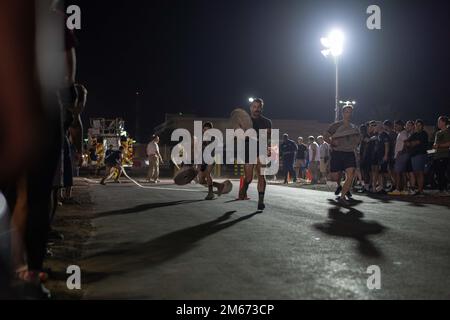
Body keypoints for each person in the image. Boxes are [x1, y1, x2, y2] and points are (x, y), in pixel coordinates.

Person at [239, 98, 272, 211]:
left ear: (261, 108)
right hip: (248, 150)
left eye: (259, 107)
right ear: (250, 108)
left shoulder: (267, 122)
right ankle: (244, 187)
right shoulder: (244, 121)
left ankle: (261, 201)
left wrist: (269, 147)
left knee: (261, 176)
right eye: (254, 107)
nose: (256, 109)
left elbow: (268, 138)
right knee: (248, 178)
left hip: (261, 150)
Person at [323, 105, 360, 204]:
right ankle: (341, 186)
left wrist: (356, 145)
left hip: (349, 153)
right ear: (343, 113)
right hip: (337, 153)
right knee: (335, 177)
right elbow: (325, 136)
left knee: (350, 175)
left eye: (350, 112)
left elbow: (357, 140)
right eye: (347, 112)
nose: (349, 114)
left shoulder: (354, 127)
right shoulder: (335, 125)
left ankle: (342, 197)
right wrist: (332, 143)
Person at [404, 120, 429, 196]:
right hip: (413, 156)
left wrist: (411, 143)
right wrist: (412, 143)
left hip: (420, 155)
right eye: (416, 125)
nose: (418, 126)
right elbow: (406, 142)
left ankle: (420, 190)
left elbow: (416, 143)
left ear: (422, 126)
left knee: (420, 173)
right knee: (416, 173)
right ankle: (419, 189)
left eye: (419, 125)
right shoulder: (414, 134)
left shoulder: (423, 133)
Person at [389, 120, 410, 195]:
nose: (395, 127)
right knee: (402, 172)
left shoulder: (403, 133)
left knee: (398, 173)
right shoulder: (400, 133)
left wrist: (401, 152)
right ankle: (404, 189)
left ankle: (398, 189)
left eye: (396, 125)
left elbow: (407, 143)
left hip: (401, 156)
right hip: (401, 155)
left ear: (400, 125)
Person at [433, 116, 450, 195]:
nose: (438, 123)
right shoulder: (437, 132)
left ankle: (445, 190)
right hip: (437, 155)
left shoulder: (447, 131)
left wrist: (438, 146)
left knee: (443, 173)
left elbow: (448, 143)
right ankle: (440, 190)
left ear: (444, 122)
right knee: (438, 173)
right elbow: (435, 143)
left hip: (444, 155)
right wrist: (435, 145)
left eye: (439, 121)